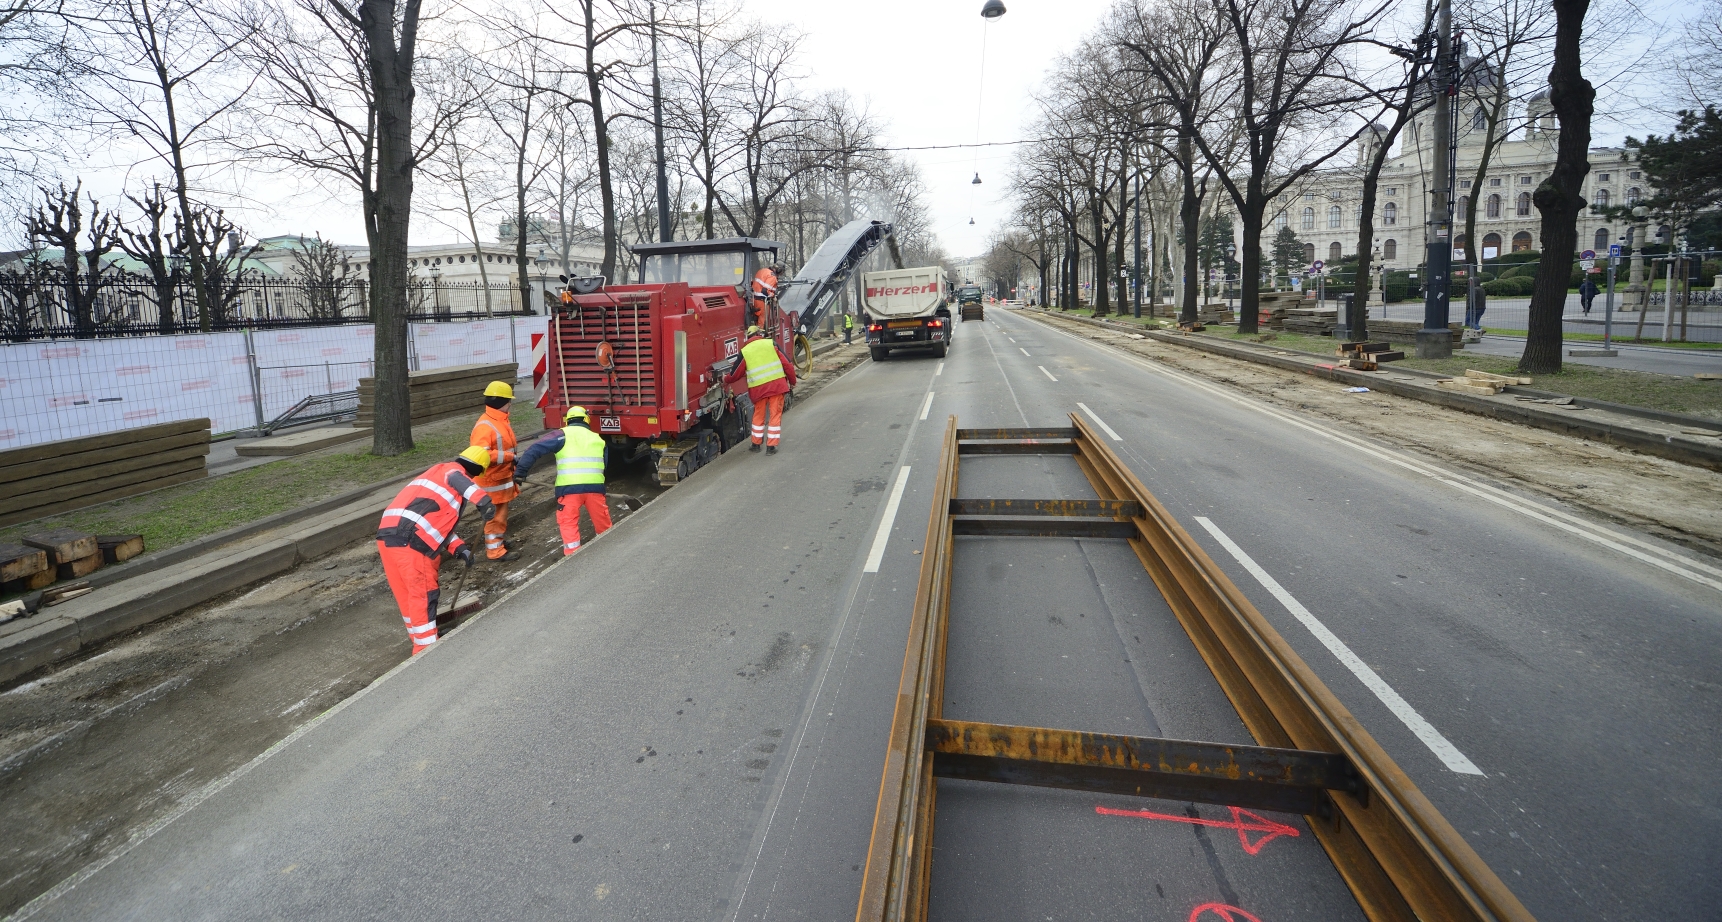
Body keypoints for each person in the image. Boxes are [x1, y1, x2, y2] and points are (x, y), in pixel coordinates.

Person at [376, 447, 496, 655]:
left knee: (407, 594)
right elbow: (460, 481)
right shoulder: (452, 473)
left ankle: (419, 636)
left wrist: (460, 550)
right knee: (423, 594)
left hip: (389, 536)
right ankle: (426, 649)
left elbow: (437, 525)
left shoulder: (433, 475)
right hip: (412, 542)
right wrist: (482, 501)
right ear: (476, 471)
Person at [516, 406, 611, 556]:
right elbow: (604, 464)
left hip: (569, 490)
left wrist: (521, 472)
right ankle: (611, 549)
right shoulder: (598, 438)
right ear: (586, 419)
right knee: (603, 523)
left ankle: (572, 556)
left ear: (567, 421)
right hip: (595, 488)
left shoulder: (561, 434)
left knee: (568, 523)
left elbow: (533, 449)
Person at [724, 326, 797, 454]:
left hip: (758, 390)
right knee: (775, 415)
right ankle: (771, 447)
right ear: (759, 334)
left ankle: (756, 444)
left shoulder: (745, 351)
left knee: (758, 416)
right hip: (776, 387)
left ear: (748, 337)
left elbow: (735, 373)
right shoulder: (771, 344)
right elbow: (787, 365)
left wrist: (726, 379)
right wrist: (792, 382)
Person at [469, 381, 520, 561]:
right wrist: (509, 457)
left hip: (500, 479)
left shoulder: (498, 420)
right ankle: (495, 551)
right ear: (502, 402)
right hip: (492, 482)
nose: (510, 404)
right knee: (494, 518)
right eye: (508, 401)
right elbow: (480, 455)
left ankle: (499, 542)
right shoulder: (486, 425)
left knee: (500, 515)